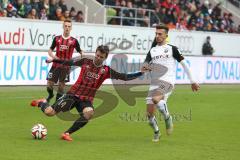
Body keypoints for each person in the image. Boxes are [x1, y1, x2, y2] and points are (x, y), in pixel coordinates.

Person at [31, 45, 149, 141]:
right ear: (95, 53)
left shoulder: (106, 70)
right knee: (49, 112)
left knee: (89, 113)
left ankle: (66, 133)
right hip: (72, 95)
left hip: (86, 100)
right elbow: (68, 62)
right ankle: (41, 103)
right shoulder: (85, 61)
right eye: (97, 55)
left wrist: (140, 73)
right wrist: (54, 59)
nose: (98, 58)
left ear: (105, 58)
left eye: (101, 57)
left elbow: (124, 77)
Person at [142, 24, 200, 142]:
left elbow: (184, 64)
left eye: (160, 34)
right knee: (149, 114)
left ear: (166, 35)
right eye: (156, 34)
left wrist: (192, 81)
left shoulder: (172, 48)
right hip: (154, 82)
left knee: (156, 99)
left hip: (168, 80)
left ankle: (168, 118)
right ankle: (157, 132)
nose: (157, 36)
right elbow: (145, 65)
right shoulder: (152, 51)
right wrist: (145, 68)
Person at [46, 19, 82, 103]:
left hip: (66, 67)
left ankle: (57, 102)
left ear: (71, 28)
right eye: (65, 26)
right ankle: (50, 94)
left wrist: (82, 56)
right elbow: (50, 50)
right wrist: (54, 57)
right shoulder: (57, 38)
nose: (67, 28)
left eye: (69, 26)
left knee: (61, 86)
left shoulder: (74, 41)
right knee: (49, 84)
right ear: (63, 26)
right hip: (55, 65)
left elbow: (80, 51)